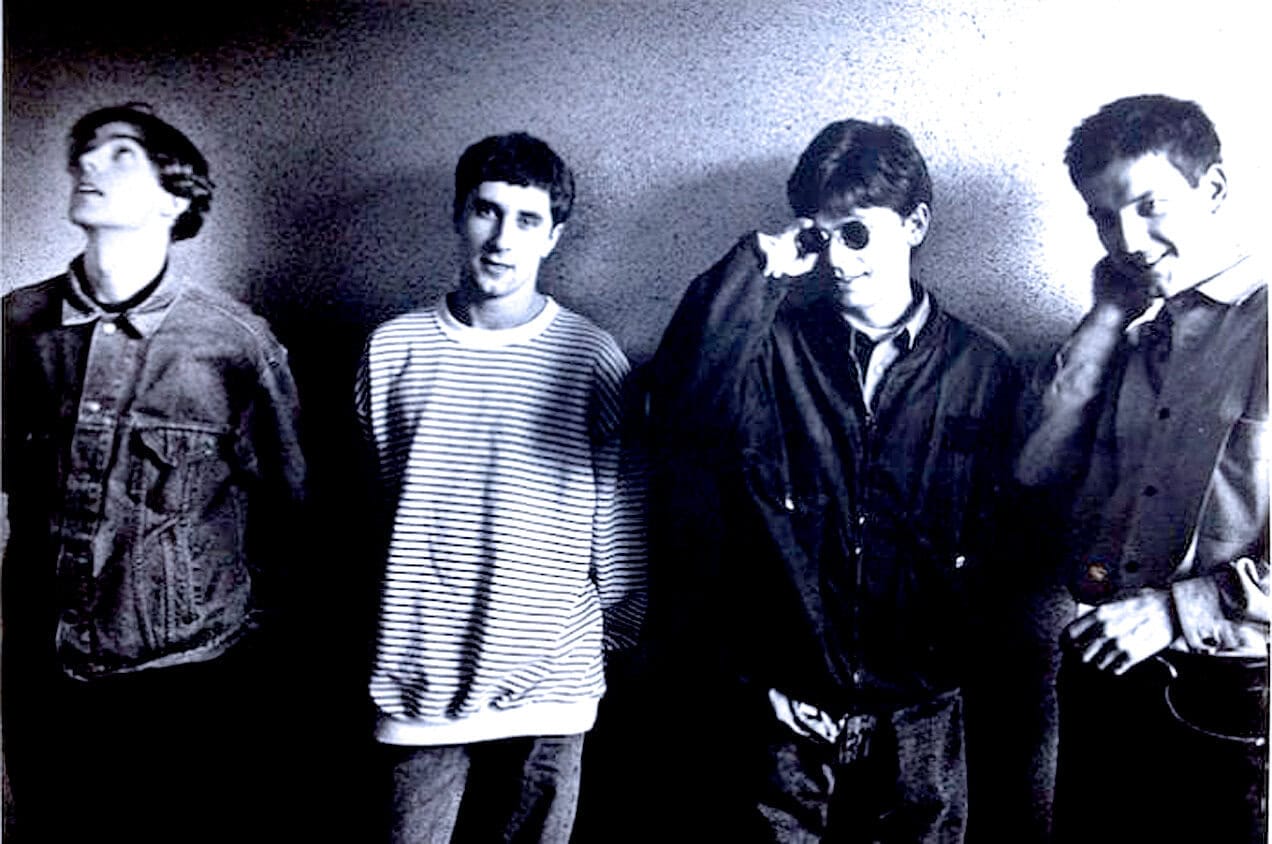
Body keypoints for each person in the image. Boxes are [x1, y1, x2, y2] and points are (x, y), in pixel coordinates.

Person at [646, 119, 1018, 841]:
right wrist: (759, 269)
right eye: (820, 238)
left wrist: (941, 673)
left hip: (921, 712)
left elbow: (1005, 542)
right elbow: (679, 416)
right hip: (785, 705)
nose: (838, 262)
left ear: (914, 225)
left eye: (857, 234)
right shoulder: (767, 347)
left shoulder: (982, 367)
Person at [1, 102, 306, 842]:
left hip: (183, 686)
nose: (89, 166)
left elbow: (293, 516)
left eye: (120, 155)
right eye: (86, 152)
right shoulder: (17, 326)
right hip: (45, 678)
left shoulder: (235, 345)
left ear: (176, 198)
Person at [354, 132, 647, 843]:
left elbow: (622, 526)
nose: (502, 239)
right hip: (418, 671)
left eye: (527, 220)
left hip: (553, 679)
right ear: (459, 214)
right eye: (487, 212)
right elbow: (377, 506)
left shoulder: (591, 357)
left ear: (554, 237)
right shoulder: (393, 348)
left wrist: (611, 633)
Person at [1015, 94, 1268, 842]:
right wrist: (1101, 321)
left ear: (1214, 190)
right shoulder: (1132, 337)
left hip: (1233, 701)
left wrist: (1173, 612)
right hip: (1104, 685)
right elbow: (1034, 473)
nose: (1126, 238)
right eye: (1101, 217)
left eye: (1149, 204)